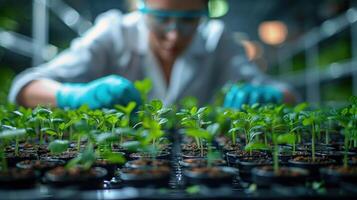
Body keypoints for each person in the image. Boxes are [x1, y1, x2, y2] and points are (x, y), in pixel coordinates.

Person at [9, 0, 296, 109]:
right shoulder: (114, 33)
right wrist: (75, 96)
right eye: (162, 19)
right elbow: (27, 86)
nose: (174, 35)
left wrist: (267, 96)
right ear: (141, 9)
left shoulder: (218, 40)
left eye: (188, 20)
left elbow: (288, 94)